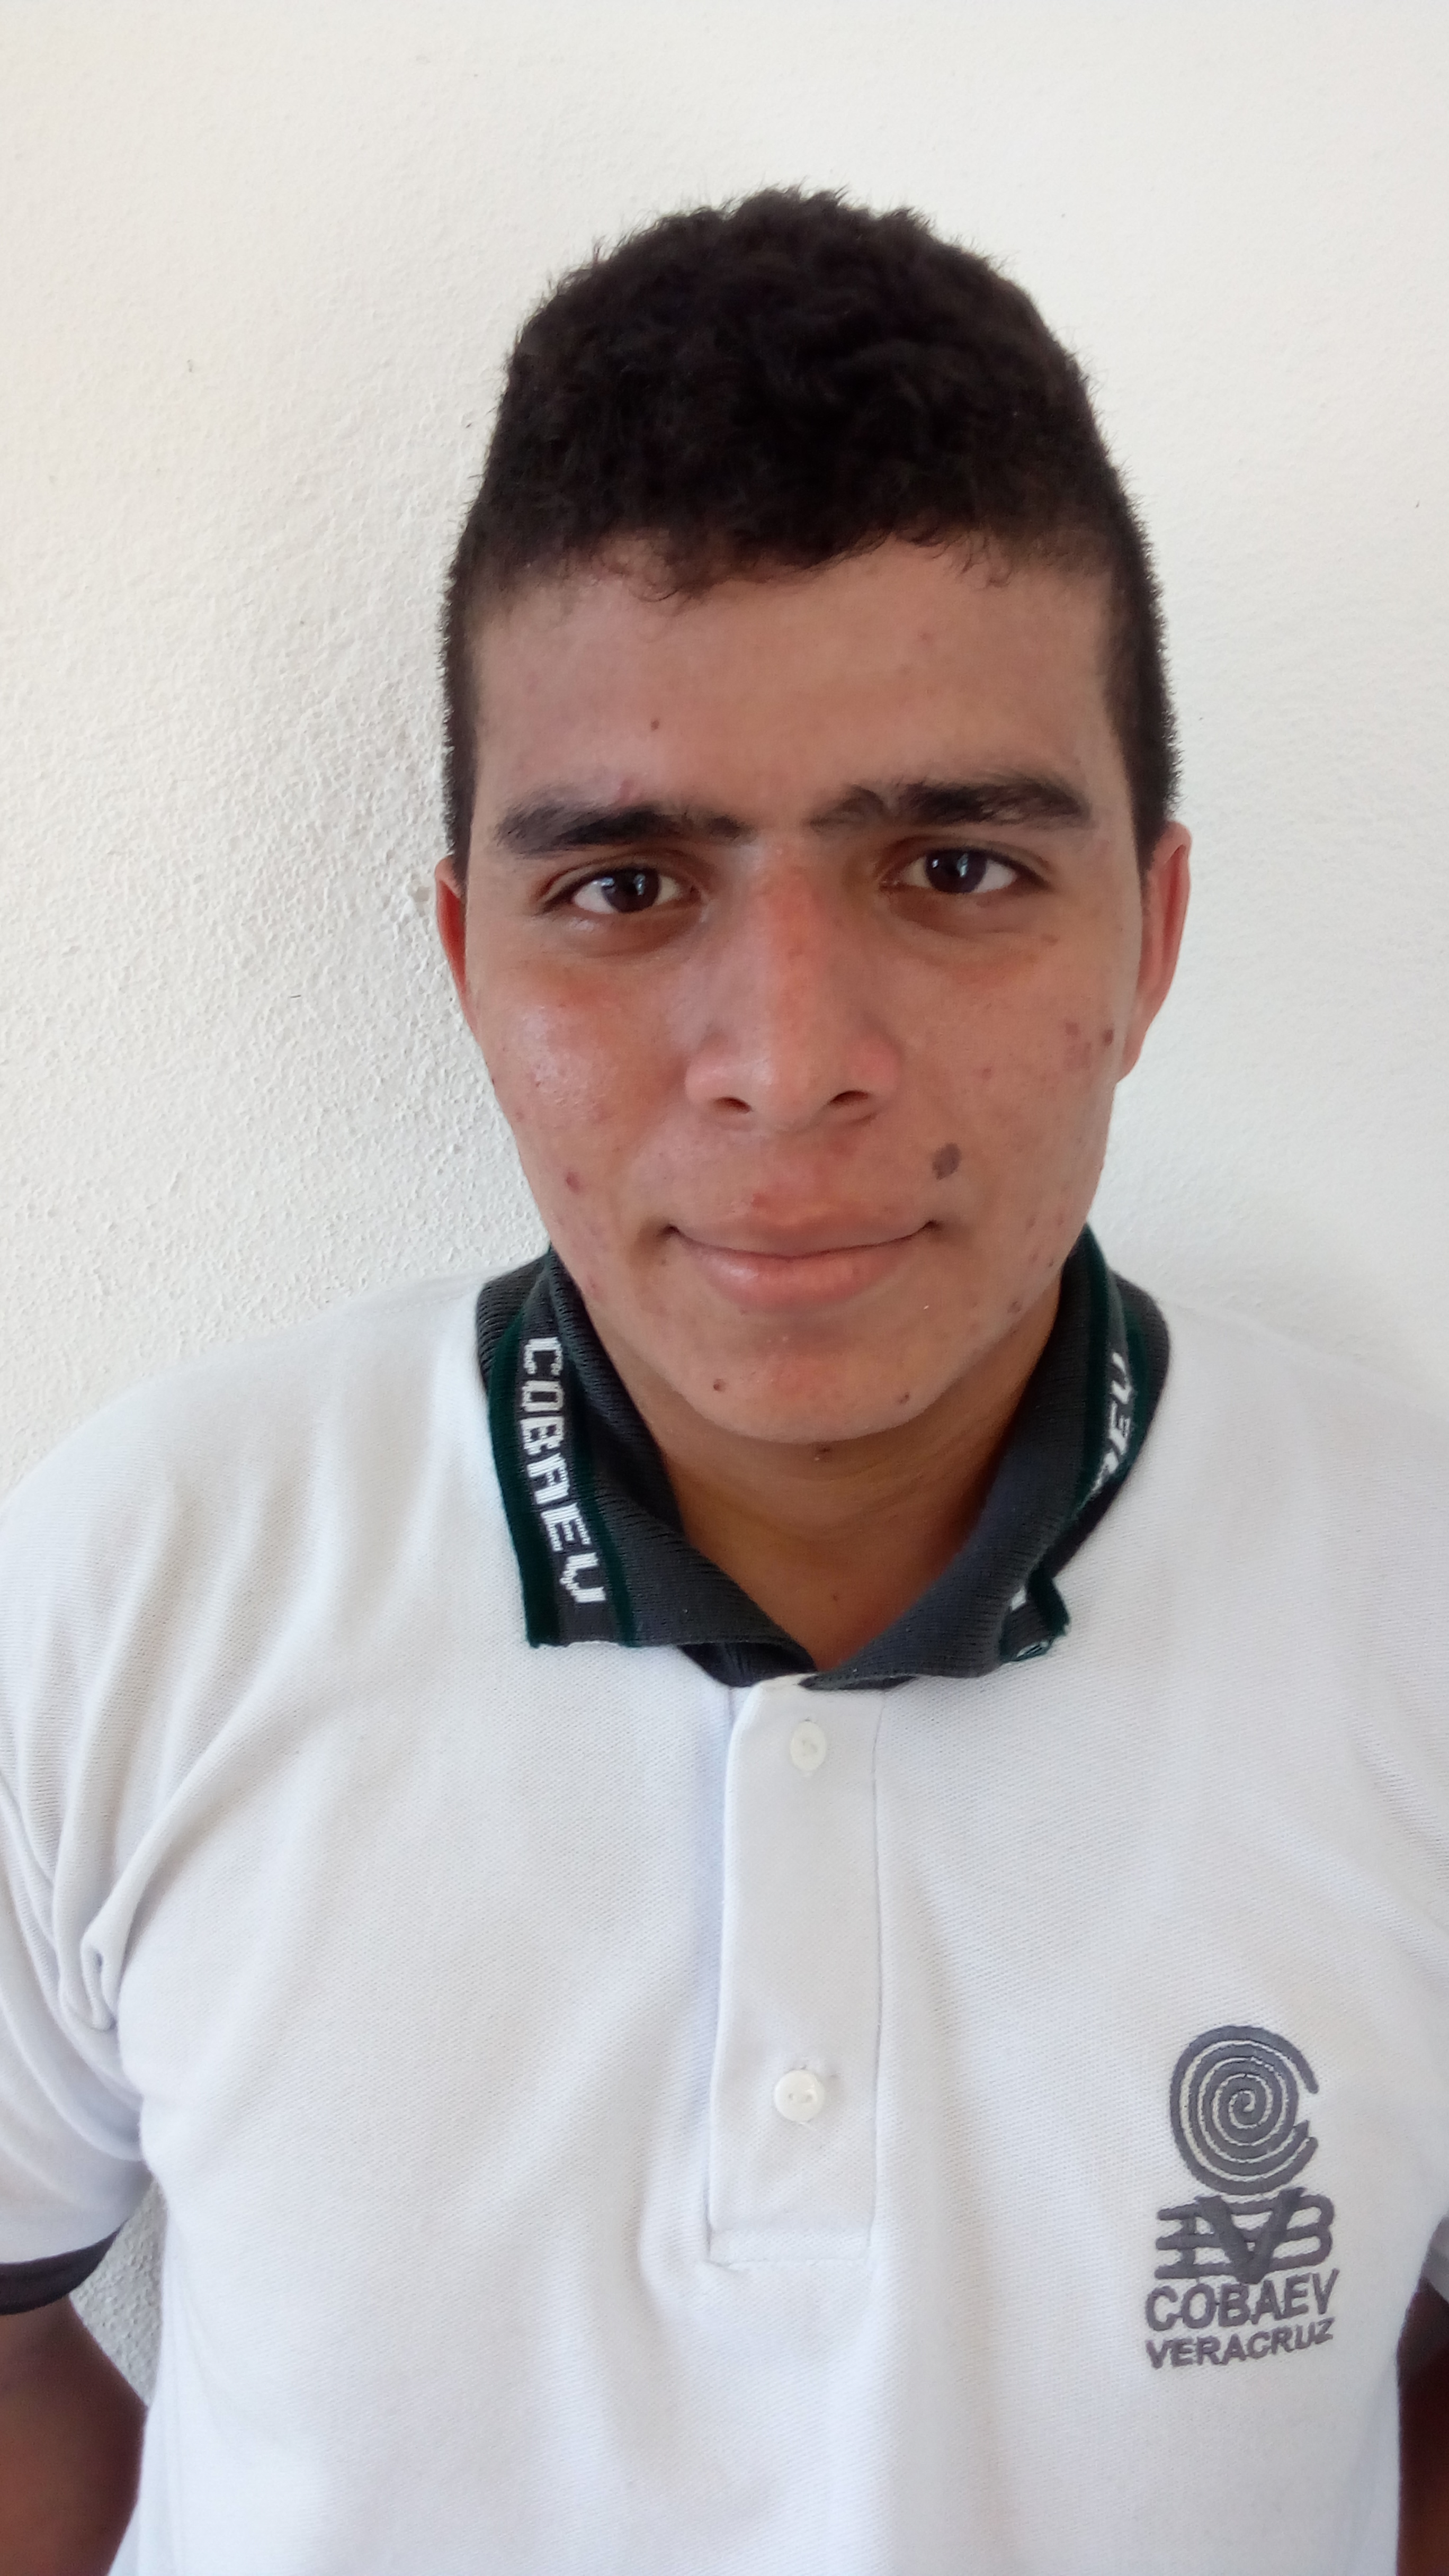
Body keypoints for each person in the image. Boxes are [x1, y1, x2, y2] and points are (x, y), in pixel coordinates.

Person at [0, 187, 1445, 2576]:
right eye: (625, 886)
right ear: (469, 960)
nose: (784, 1062)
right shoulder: (123, 1586)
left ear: (1152, 933)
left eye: (956, 868)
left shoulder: (1413, 1602)